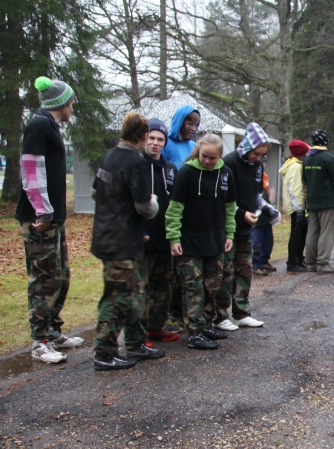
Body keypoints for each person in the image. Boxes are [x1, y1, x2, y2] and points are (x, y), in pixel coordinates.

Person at [90, 112, 166, 371]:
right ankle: (104, 351)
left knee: (134, 293)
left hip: (109, 237)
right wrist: (153, 201)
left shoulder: (109, 157)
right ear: (144, 136)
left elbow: (94, 192)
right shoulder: (136, 162)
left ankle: (136, 343)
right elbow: (146, 207)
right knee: (118, 296)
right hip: (119, 243)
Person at [16, 76, 84, 364]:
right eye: (72, 102)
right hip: (40, 219)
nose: (73, 107)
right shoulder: (39, 125)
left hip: (54, 217)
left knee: (60, 277)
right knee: (43, 281)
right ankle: (40, 342)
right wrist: (42, 211)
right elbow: (31, 172)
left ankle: (53, 331)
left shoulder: (49, 126)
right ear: (62, 102)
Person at [164, 133, 236, 350]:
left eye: (212, 158)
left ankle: (205, 324)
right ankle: (194, 330)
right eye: (204, 156)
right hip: (189, 242)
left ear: (219, 156)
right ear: (198, 152)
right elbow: (174, 209)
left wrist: (230, 234)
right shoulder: (187, 172)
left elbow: (230, 209)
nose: (207, 161)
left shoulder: (226, 174)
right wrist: (173, 238)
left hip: (215, 240)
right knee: (193, 287)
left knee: (212, 285)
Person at [220, 123, 279, 329]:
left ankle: (241, 311)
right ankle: (220, 315)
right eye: (256, 154)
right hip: (228, 227)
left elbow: (255, 195)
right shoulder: (228, 163)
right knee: (226, 272)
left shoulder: (257, 166)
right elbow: (225, 198)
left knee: (245, 269)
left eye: (262, 155)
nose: (258, 158)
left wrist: (266, 209)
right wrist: (241, 213)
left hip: (246, 228)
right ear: (247, 147)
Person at [141, 118, 180, 343]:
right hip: (143, 238)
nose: (155, 143)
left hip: (165, 238)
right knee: (143, 288)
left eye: (160, 139)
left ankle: (156, 326)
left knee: (163, 285)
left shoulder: (170, 169)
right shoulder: (137, 165)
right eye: (152, 138)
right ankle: (141, 331)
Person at [302, 129, 334, 273]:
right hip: (327, 201)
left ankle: (310, 262)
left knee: (312, 231)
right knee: (326, 231)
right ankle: (323, 263)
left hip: (312, 200)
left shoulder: (308, 158)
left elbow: (305, 179)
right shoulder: (328, 157)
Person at [280, 139, 310, 272]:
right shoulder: (296, 167)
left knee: (301, 234)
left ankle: (298, 258)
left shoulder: (293, 164)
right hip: (296, 207)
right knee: (296, 235)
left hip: (297, 206)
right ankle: (292, 262)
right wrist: (299, 209)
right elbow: (295, 189)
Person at [251, 171, 276, 275]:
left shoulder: (264, 177)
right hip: (256, 214)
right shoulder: (251, 178)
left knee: (268, 240)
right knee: (256, 241)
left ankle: (264, 260)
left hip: (266, 214)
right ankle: (256, 264)